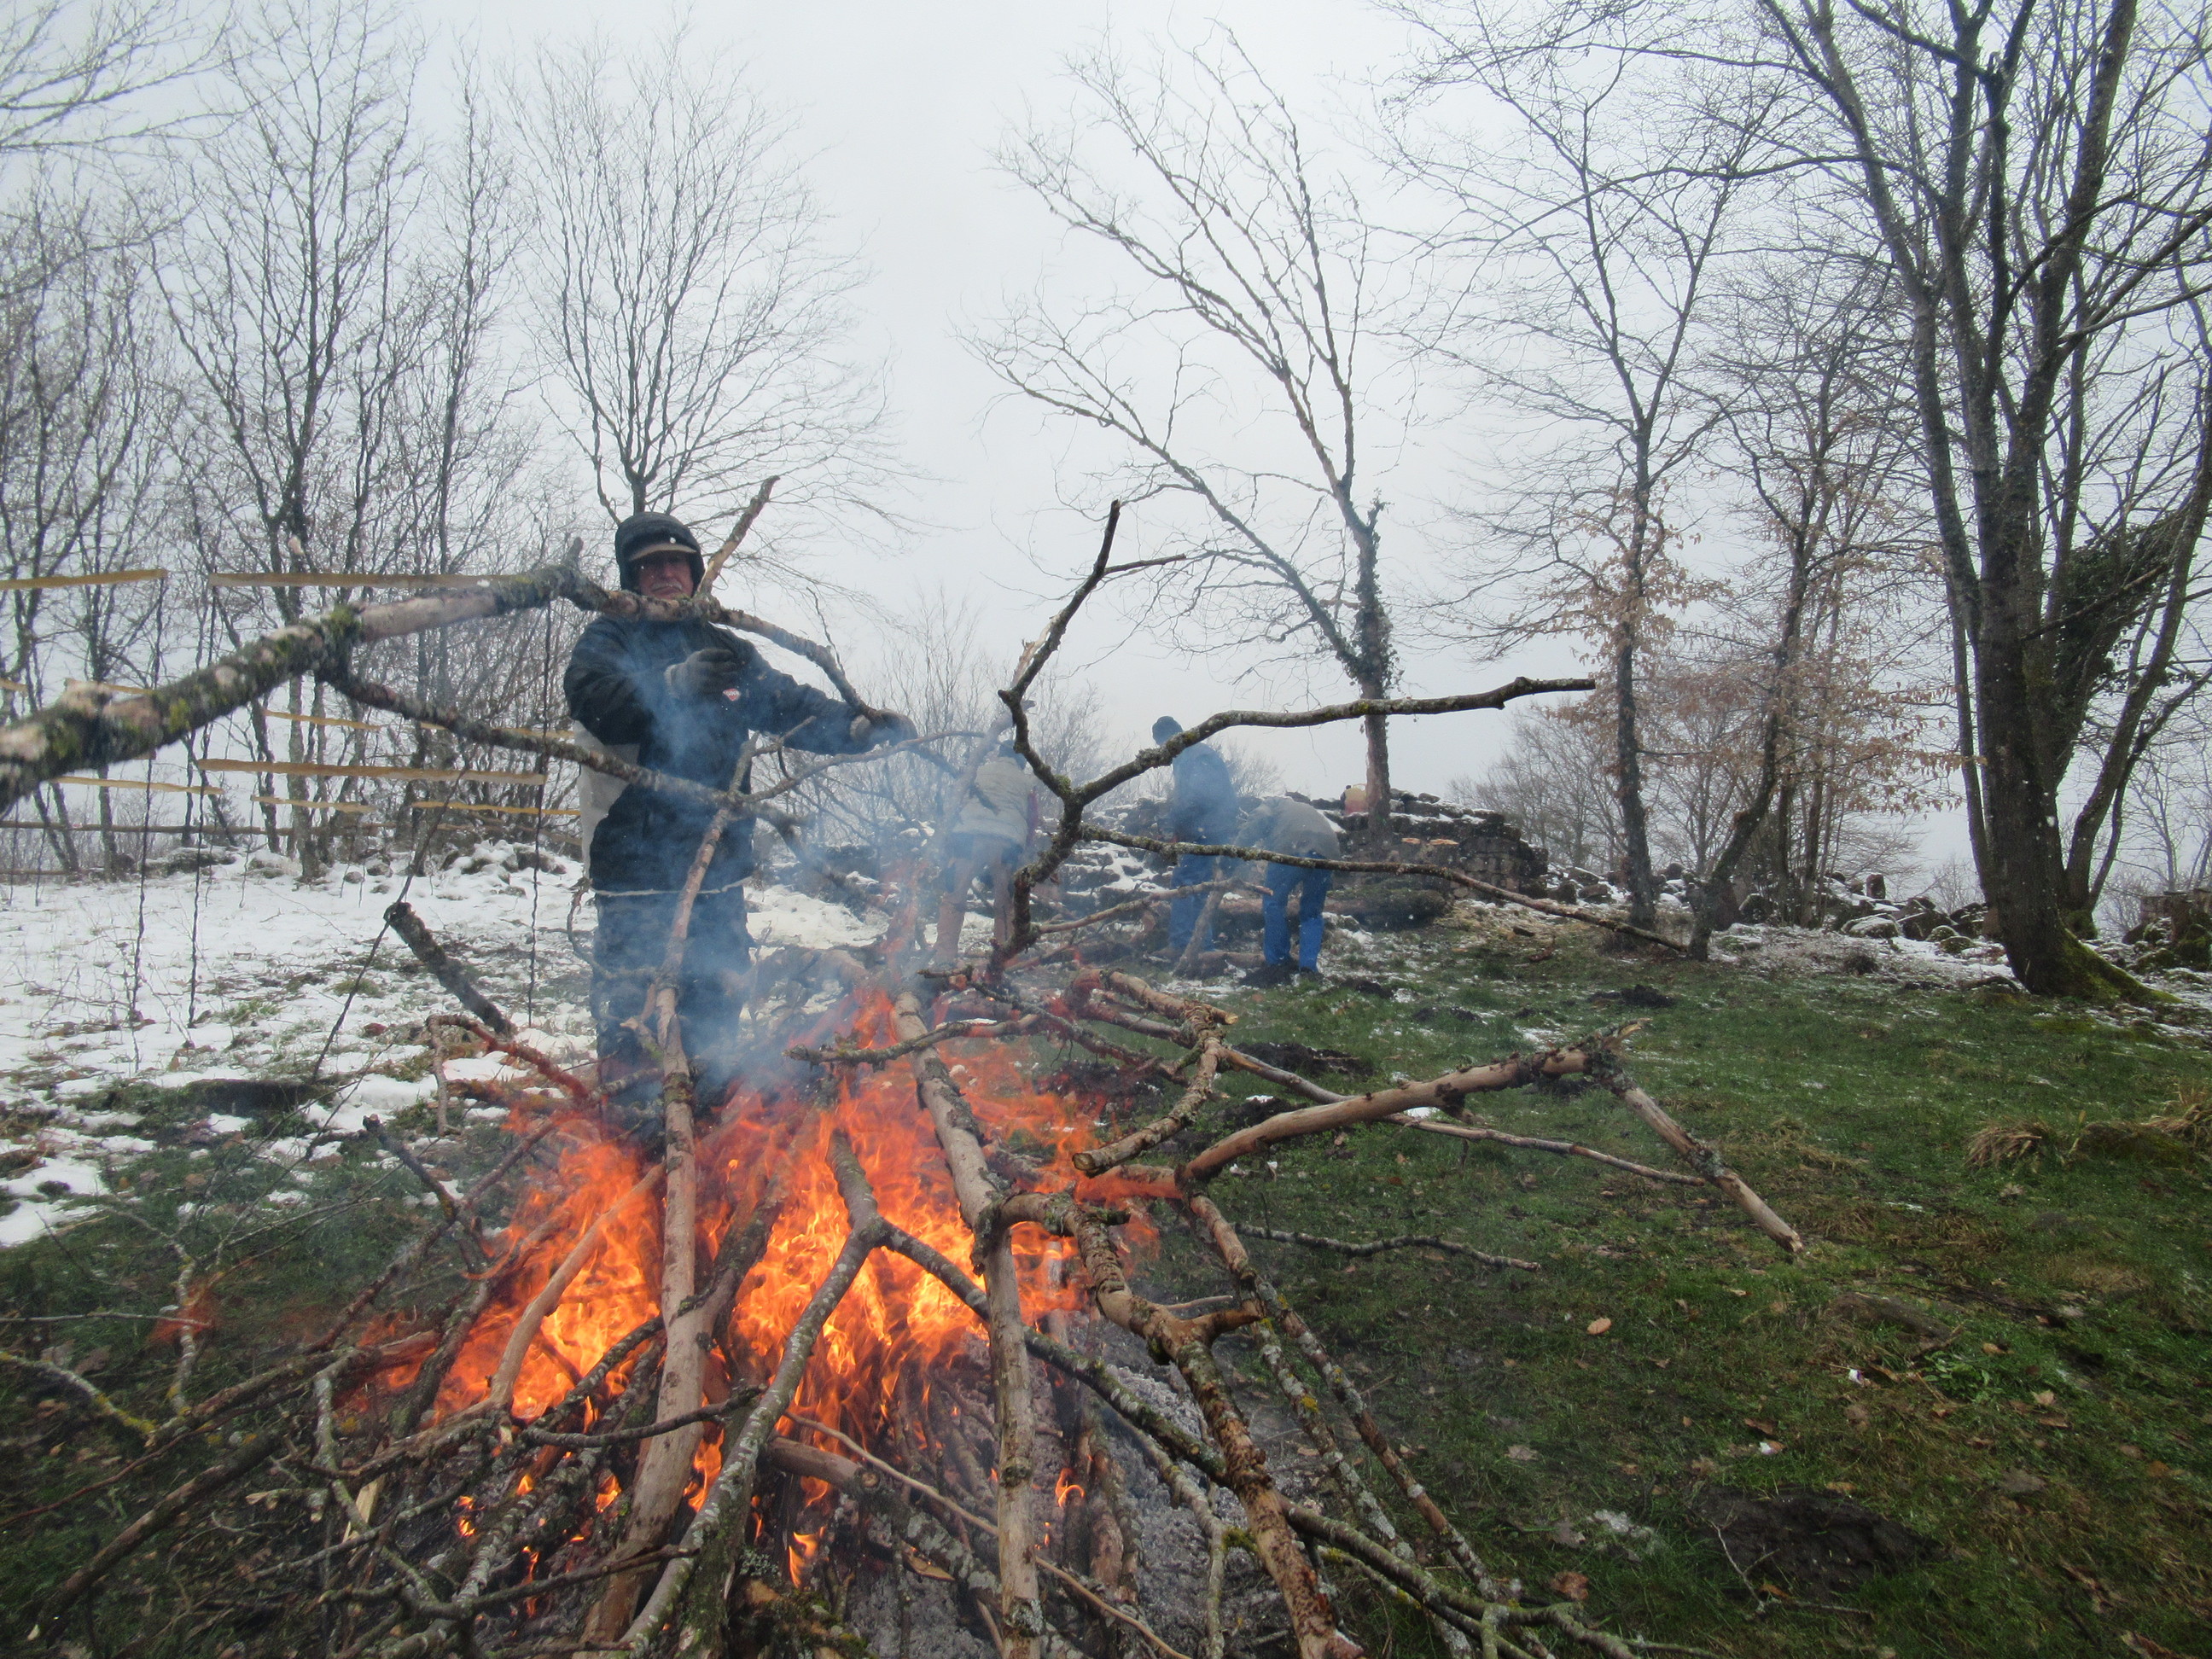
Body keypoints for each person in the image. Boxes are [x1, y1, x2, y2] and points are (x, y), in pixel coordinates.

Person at [565, 511, 907, 1109]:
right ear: (631, 577)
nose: (665, 573)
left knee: (717, 1002)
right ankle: (632, 1130)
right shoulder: (610, 638)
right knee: (634, 1014)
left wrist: (857, 727)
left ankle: (710, 1121)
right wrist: (672, 683)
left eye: (677, 562)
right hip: (636, 870)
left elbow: (788, 704)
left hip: (717, 870)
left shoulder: (723, 647)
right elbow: (593, 699)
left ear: (695, 572)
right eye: (650, 565)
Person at [936, 737, 1050, 959]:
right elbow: (1032, 818)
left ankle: (944, 958)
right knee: (1006, 905)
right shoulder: (1027, 782)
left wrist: (949, 838)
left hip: (967, 839)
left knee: (954, 897)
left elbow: (957, 801)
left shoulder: (978, 771)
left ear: (999, 754)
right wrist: (1024, 848)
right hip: (1007, 844)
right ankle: (1005, 961)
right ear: (1022, 760)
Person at [1152, 714, 1241, 961]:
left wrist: (1173, 820)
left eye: (1162, 744)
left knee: (1185, 882)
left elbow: (1199, 797)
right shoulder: (1191, 755)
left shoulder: (1195, 755)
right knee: (1200, 886)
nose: (1163, 751)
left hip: (1207, 828)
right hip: (1207, 827)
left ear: (1169, 738)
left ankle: (1182, 944)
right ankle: (1203, 946)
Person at [1238, 795, 1341, 986]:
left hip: (1292, 847)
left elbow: (1258, 820)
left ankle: (1278, 963)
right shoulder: (1303, 808)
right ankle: (1308, 967)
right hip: (1327, 852)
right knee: (1312, 912)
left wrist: (1234, 853)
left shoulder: (1271, 804)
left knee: (1273, 901)